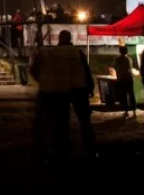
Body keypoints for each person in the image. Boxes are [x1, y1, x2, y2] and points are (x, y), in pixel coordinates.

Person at [29, 30, 96, 159]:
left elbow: (34, 69)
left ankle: (61, 149)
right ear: (70, 38)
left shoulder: (50, 53)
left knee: (61, 121)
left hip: (60, 90)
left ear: (59, 39)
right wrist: (90, 88)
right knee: (84, 121)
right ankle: (90, 147)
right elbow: (86, 71)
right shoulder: (77, 52)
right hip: (79, 88)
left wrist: (43, 81)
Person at [113, 45, 137, 118]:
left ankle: (126, 111)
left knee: (123, 96)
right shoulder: (129, 59)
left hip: (122, 79)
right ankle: (134, 112)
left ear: (120, 51)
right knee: (131, 95)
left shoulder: (118, 59)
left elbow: (114, 66)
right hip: (129, 78)